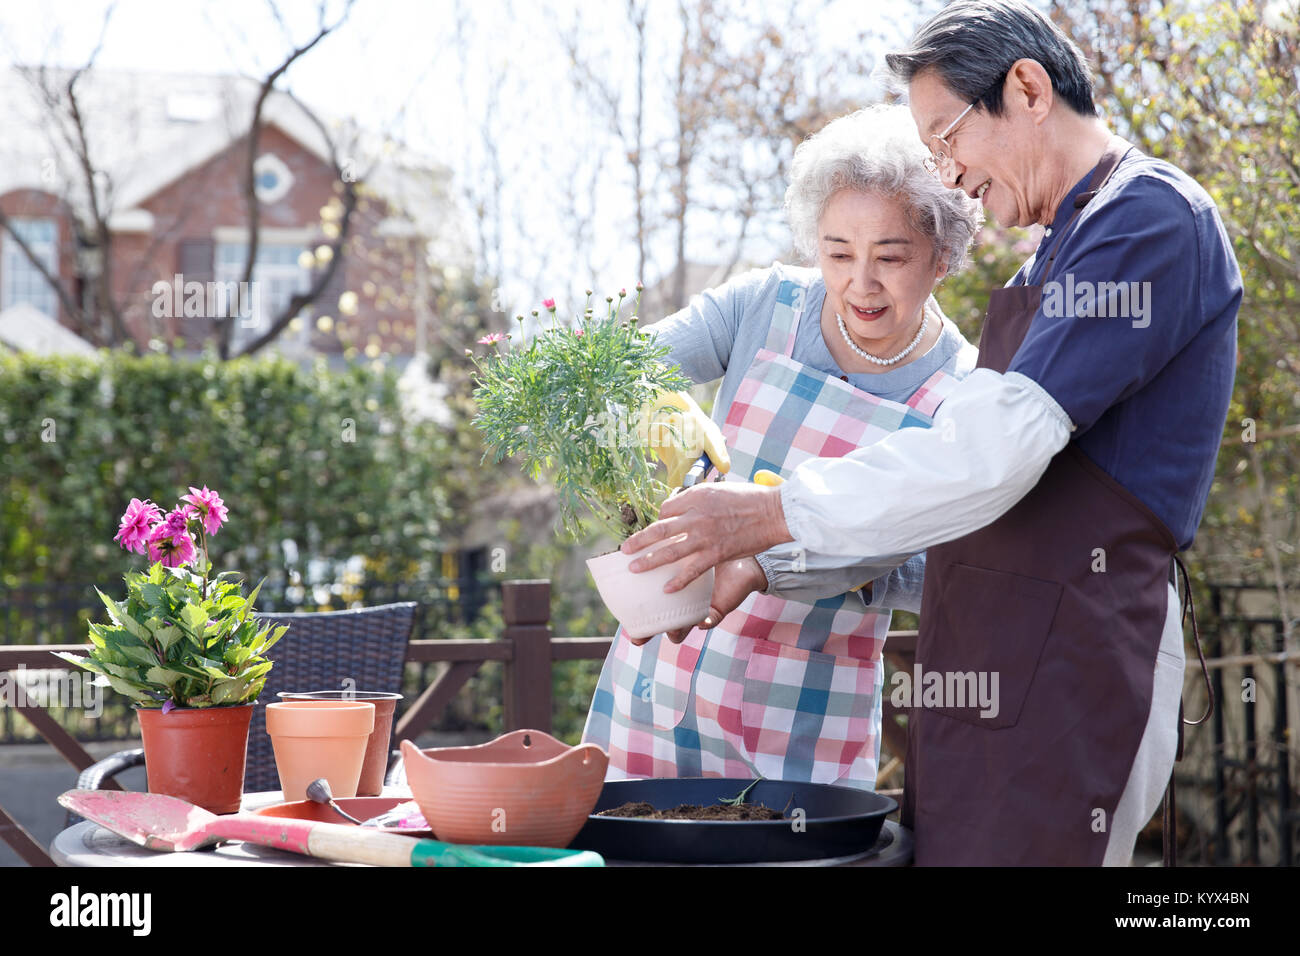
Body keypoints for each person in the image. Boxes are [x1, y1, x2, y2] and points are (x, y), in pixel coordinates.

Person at [620, 0, 1240, 866]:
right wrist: (765, 559)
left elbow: (986, 458)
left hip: (1071, 667)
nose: (946, 174)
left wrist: (764, 517)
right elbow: (954, 499)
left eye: (946, 137)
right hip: (991, 671)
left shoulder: (1147, 223)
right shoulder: (1056, 251)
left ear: (1026, 89)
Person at [580, 104, 982, 791]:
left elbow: (945, 573)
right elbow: (623, 376)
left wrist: (784, 562)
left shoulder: (962, 392)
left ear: (942, 256)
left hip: (802, 716)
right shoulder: (764, 308)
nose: (861, 282)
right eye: (836, 254)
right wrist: (635, 476)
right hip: (659, 683)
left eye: (890, 257)